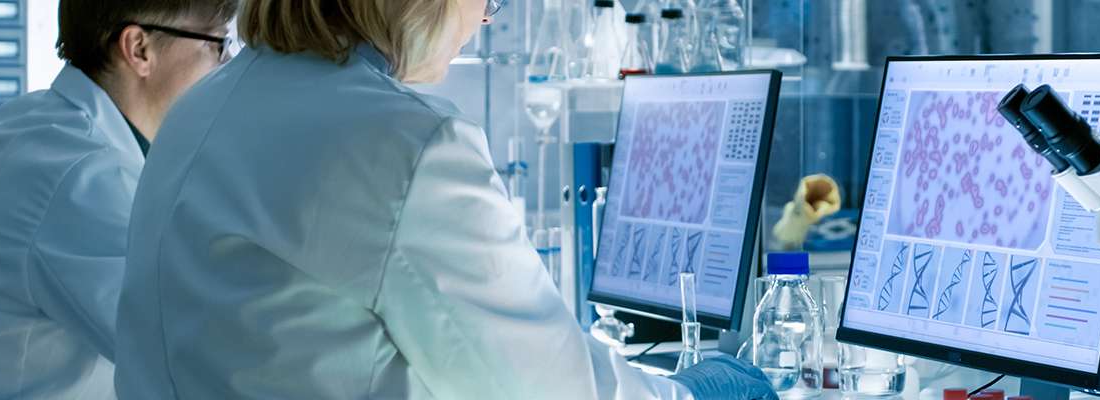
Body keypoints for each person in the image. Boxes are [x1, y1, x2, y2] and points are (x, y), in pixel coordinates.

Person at [113, 0, 775, 398]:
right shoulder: (401, 141)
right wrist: (703, 387)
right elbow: (554, 388)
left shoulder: (204, 107)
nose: (485, 18)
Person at [0, 0, 236, 398]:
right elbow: (186, 356)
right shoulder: (80, 179)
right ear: (139, 48)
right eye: (217, 46)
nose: (226, 67)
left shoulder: (37, 119)